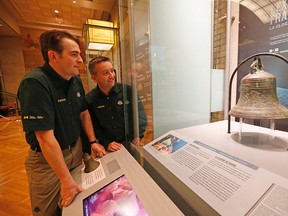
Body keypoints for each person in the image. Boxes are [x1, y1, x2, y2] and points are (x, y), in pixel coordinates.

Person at [17, 30, 106, 216]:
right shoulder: (35, 83)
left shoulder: (75, 80)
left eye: (79, 54)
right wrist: (65, 179)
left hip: (76, 151)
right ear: (53, 56)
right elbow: (44, 137)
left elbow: (83, 113)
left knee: (73, 208)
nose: (80, 60)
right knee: (48, 212)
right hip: (47, 161)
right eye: (74, 54)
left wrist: (92, 142)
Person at [84, 55, 147, 153]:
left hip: (132, 142)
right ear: (94, 78)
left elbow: (140, 114)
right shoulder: (90, 99)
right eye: (105, 73)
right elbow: (94, 126)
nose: (112, 75)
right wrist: (106, 143)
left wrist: (138, 135)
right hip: (109, 147)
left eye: (112, 71)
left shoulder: (128, 91)